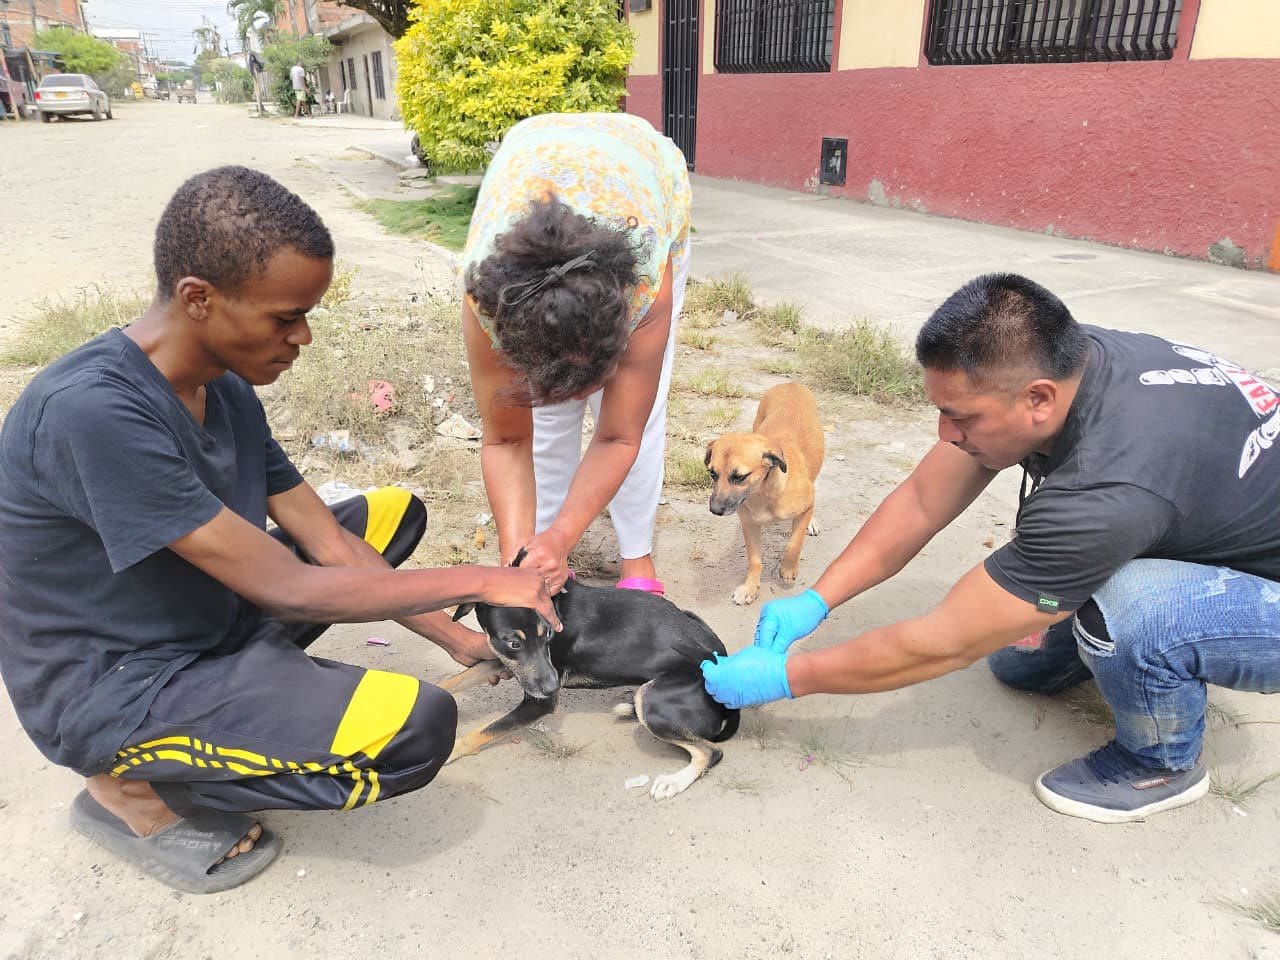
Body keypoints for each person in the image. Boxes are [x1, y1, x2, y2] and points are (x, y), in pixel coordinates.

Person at [0, 166, 558, 893]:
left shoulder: (222, 384)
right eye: (284, 317)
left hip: (197, 608)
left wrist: (463, 639)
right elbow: (294, 587)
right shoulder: (92, 412)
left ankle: (246, 686)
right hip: (113, 682)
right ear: (198, 298)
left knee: (386, 515)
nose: (304, 336)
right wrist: (490, 579)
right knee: (414, 731)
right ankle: (126, 787)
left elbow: (325, 543)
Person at [701, 273, 1280, 824]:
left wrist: (789, 676)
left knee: (1129, 611)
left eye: (960, 418)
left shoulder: (1104, 488)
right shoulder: (1068, 362)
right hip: (1210, 511)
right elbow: (924, 502)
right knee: (1016, 656)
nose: (944, 434)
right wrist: (817, 600)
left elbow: (945, 643)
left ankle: (1160, 762)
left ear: (1039, 401)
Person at [460, 112, 692, 596]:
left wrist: (566, 536)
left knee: (641, 417)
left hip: (641, 175)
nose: (584, 394)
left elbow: (617, 437)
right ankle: (539, 558)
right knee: (544, 422)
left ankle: (636, 556)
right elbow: (506, 441)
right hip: (532, 157)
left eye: (594, 375)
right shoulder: (487, 300)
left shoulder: (646, 284)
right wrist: (518, 558)